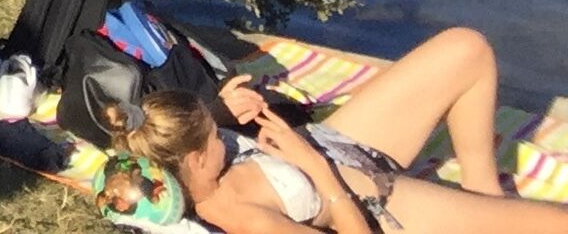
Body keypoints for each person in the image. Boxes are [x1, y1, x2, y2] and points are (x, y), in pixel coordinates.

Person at [119, 30, 555, 231]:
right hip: (379, 199)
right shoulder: (240, 215)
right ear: (195, 158)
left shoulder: (159, 154)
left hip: (340, 143)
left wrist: (225, 113)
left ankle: (485, 193)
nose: (223, 136)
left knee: (467, 48)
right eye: (215, 136)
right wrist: (315, 167)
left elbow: (163, 133)